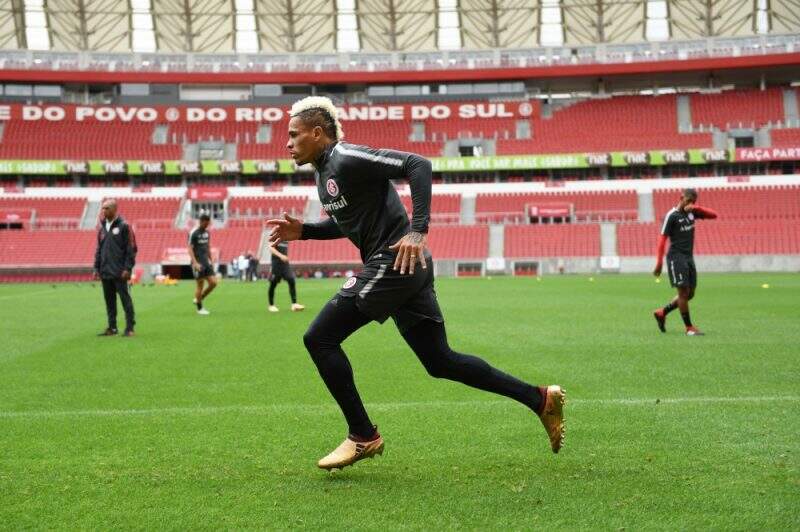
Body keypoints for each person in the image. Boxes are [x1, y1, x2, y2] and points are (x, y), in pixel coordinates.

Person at [268, 96, 565, 471]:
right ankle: (540, 399)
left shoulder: (345, 157)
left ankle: (362, 434)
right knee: (440, 361)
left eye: (294, 135)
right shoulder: (324, 172)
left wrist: (419, 229)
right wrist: (306, 231)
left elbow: (416, 164)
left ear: (317, 132)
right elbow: (350, 222)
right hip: (404, 267)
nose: (288, 143)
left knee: (319, 337)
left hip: (395, 261)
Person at [653, 188, 718, 336]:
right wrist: (659, 263)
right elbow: (662, 240)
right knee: (683, 293)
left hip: (688, 257)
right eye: (688, 201)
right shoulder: (672, 216)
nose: (690, 204)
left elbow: (714, 215)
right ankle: (689, 328)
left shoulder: (692, 212)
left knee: (690, 294)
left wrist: (696, 208)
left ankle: (662, 312)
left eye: (693, 202)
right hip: (676, 257)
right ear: (681, 198)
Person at [93, 199, 137, 336]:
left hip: (120, 272)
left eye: (106, 208)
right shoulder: (101, 229)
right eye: (103, 208)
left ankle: (130, 328)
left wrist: (128, 268)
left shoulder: (124, 226)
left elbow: (132, 248)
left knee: (126, 300)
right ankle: (112, 328)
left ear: (113, 209)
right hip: (105, 272)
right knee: (109, 302)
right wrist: (96, 268)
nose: (103, 211)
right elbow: (99, 250)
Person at [188, 213, 217, 315]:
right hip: (198, 263)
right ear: (201, 221)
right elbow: (190, 249)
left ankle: (198, 298)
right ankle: (199, 309)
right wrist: (195, 263)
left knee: (213, 283)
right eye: (206, 223)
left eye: (208, 224)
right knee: (200, 285)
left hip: (206, 262)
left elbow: (207, 246)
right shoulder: (193, 233)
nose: (207, 225)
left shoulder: (207, 233)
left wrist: (211, 259)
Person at [267, 240, 305, 312]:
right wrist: (281, 256)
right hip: (276, 264)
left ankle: (294, 304)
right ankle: (271, 305)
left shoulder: (286, 237)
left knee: (291, 279)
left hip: (285, 264)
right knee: (273, 284)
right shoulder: (275, 234)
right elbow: (271, 248)